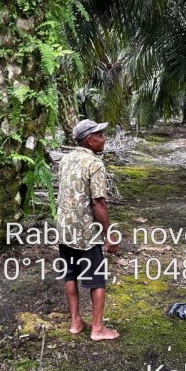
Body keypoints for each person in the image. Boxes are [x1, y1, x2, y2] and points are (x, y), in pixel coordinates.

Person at [56, 118, 120, 341]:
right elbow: (98, 202)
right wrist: (108, 234)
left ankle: (76, 323)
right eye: (100, 136)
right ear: (90, 140)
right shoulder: (95, 164)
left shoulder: (65, 160)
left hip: (65, 229)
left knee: (70, 274)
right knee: (97, 279)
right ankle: (98, 329)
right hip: (86, 231)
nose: (103, 139)